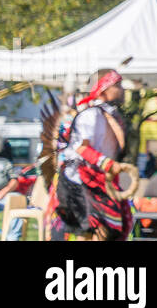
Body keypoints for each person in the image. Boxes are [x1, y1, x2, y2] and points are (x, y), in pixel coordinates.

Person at [46, 69, 137, 241]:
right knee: (93, 232)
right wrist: (108, 164)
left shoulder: (108, 115)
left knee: (106, 232)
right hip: (81, 181)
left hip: (100, 180)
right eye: (117, 85)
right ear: (103, 88)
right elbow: (81, 148)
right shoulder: (90, 115)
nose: (122, 89)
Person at [0, 163, 36, 240]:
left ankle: (13, 238)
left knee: (17, 198)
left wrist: (3, 192)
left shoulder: (4, 161)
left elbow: (14, 181)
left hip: (4, 195)